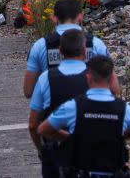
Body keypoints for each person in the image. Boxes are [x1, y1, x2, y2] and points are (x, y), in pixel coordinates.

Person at [38, 56, 130, 177]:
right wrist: (116, 135)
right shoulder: (124, 109)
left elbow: (43, 129)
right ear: (112, 78)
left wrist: (71, 138)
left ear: (88, 78)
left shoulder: (74, 106)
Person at [29, 29, 90, 178]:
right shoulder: (95, 76)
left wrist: (42, 150)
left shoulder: (46, 78)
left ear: (61, 51)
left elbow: (33, 125)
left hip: (57, 152)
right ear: (84, 50)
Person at [23, 0, 114, 98]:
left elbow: (28, 91)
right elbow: (113, 87)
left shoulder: (40, 46)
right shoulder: (96, 44)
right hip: (88, 109)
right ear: (81, 17)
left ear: (54, 18)